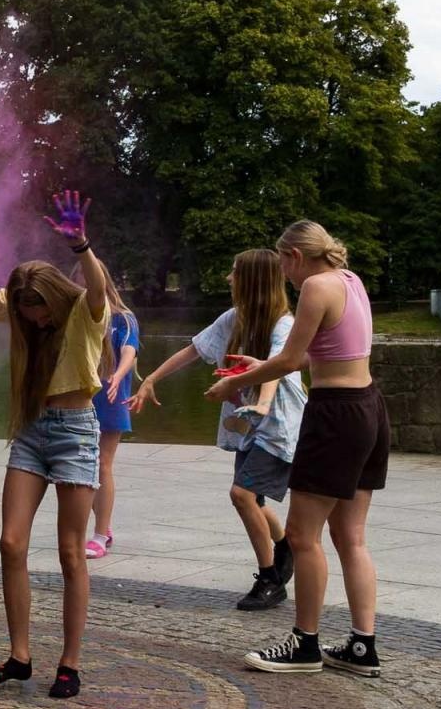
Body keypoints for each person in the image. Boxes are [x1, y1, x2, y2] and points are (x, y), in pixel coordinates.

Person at [0, 186, 112, 700]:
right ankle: (19, 657)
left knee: (70, 552)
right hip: (33, 432)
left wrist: (81, 246)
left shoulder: (82, 312)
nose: (33, 319)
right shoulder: (17, 310)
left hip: (77, 431)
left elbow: (98, 288)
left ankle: (70, 663)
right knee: (11, 543)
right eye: (25, 311)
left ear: (54, 299)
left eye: (38, 310)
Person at [206, 222, 386, 678]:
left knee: (304, 537)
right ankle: (363, 646)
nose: (284, 273)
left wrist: (236, 381)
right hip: (368, 408)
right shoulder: (349, 281)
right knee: (352, 538)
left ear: (292, 255)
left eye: (283, 262)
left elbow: (288, 362)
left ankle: (304, 643)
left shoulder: (314, 287)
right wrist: (259, 364)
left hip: (335, 416)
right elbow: (320, 352)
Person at [130, 249, 303, 610]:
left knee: (242, 495)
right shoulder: (236, 318)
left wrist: (262, 404)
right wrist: (151, 379)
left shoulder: (283, 326)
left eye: (234, 272)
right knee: (252, 498)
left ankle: (271, 579)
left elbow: (274, 369)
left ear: (252, 280)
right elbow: (193, 350)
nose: (228, 278)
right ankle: (286, 544)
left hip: (276, 426)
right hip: (249, 424)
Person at [81, 263, 139, 559]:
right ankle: (102, 525)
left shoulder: (123, 319)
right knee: (85, 466)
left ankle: (101, 533)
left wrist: (117, 375)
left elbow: (130, 350)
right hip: (80, 399)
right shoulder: (77, 314)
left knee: (102, 464)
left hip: (111, 398)